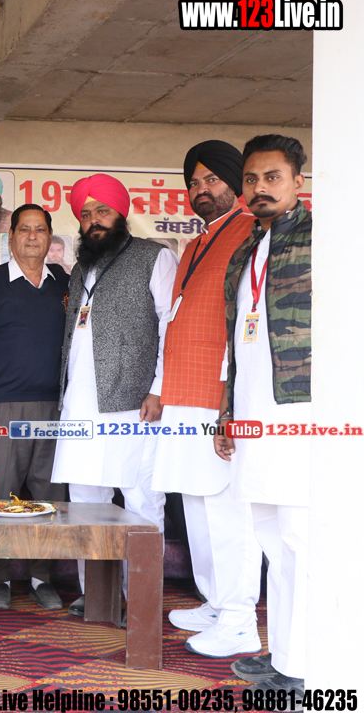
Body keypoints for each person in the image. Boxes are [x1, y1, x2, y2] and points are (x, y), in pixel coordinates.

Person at [49, 173, 178, 616]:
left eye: (102, 211)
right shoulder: (80, 269)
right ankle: (97, 595)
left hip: (134, 404)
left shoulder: (154, 257)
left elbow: (171, 325)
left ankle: (140, 598)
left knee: (140, 501)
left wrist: (158, 389)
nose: (93, 221)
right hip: (80, 405)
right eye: (85, 214)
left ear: (121, 214)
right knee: (86, 503)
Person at [152, 140, 261, 658]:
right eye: (194, 183)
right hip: (182, 393)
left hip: (216, 396)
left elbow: (244, 325)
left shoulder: (251, 234)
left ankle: (240, 620)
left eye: (212, 180)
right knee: (195, 504)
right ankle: (216, 603)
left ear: (235, 182)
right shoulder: (196, 243)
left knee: (226, 510)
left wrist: (228, 400)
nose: (201, 190)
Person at [214, 135, 311, 694]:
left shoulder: (321, 239)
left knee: (301, 536)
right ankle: (286, 652)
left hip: (301, 413)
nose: (260, 188)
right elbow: (236, 343)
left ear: (298, 182)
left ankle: (306, 666)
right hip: (253, 413)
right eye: (251, 179)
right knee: (272, 536)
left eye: (272, 177)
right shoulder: (247, 250)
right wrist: (227, 410)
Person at [0, 204, 69, 611]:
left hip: (54, 409)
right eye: (25, 229)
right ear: (11, 236)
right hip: (2, 408)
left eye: (40, 229)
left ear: (50, 237)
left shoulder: (64, 283)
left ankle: (41, 577)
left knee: (49, 496)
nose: (32, 236)